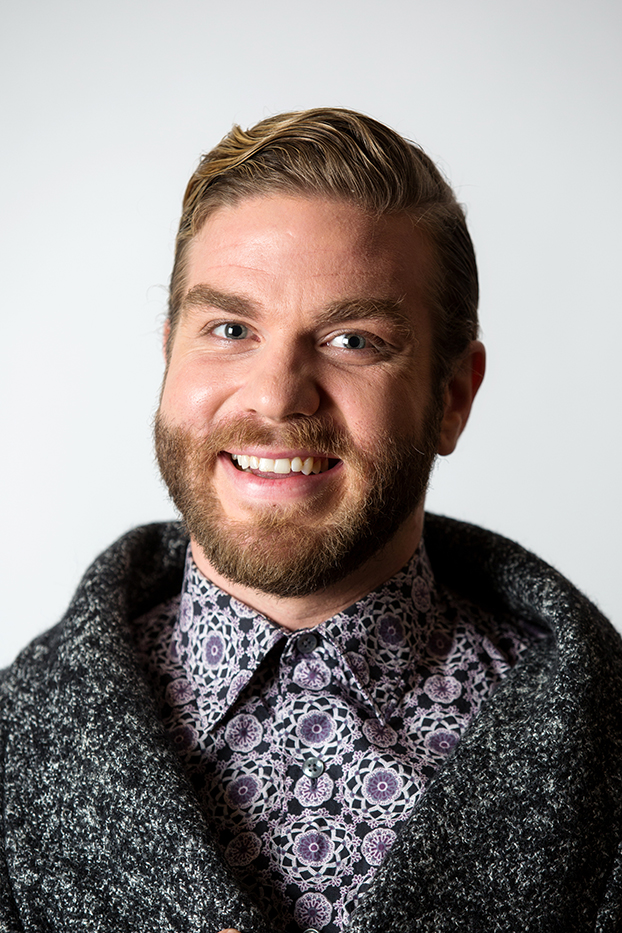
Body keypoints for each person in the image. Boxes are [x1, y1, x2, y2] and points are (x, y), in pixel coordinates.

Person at [1, 108, 621, 933]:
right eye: (230, 329)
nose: (275, 396)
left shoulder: (606, 753)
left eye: (352, 340)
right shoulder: (15, 748)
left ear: (452, 397)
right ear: (169, 354)